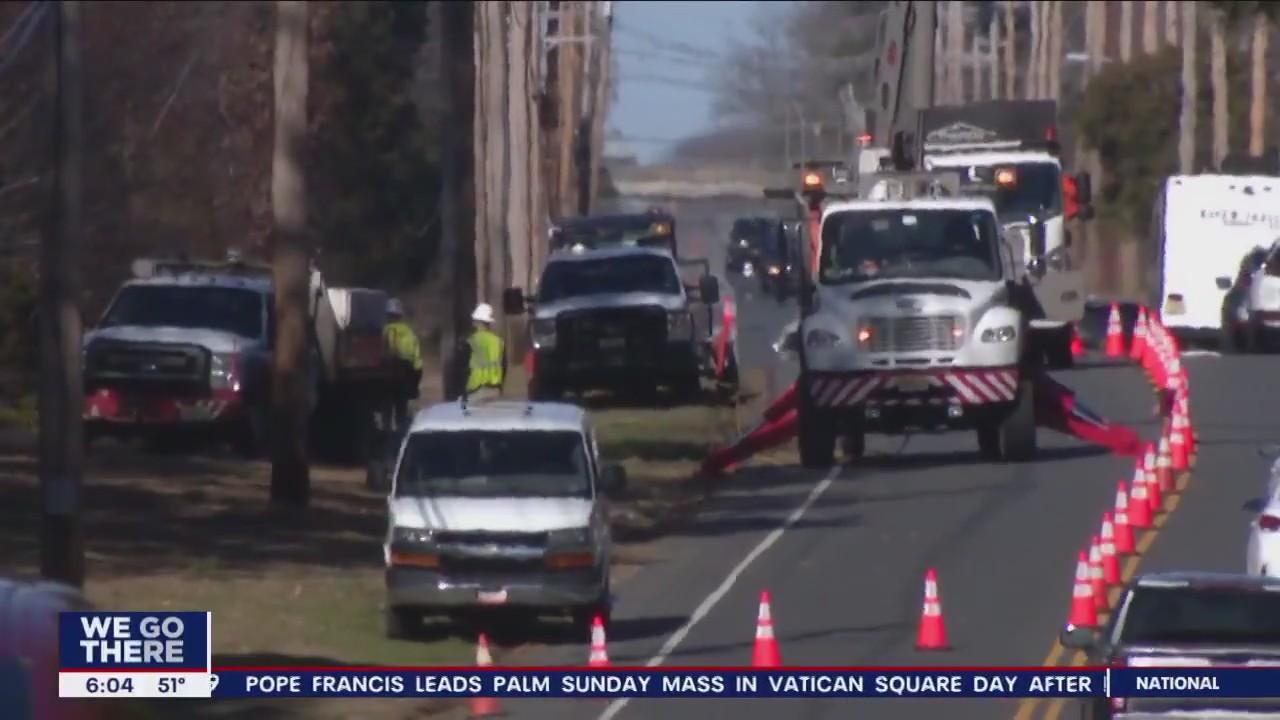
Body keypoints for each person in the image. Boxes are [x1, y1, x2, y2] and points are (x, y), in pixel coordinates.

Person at [383, 298, 422, 431]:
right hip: (405, 372)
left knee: (387, 405)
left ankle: (387, 430)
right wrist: (415, 379)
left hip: (388, 373)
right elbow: (417, 358)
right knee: (401, 405)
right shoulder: (409, 331)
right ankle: (401, 430)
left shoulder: (385, 330)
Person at [464, 302, 506, 403]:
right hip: (495, 389)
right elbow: (504, 366)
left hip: (476, 390)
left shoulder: (471, 341)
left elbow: (464, 368)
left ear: (477, 322)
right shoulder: (499, 342)